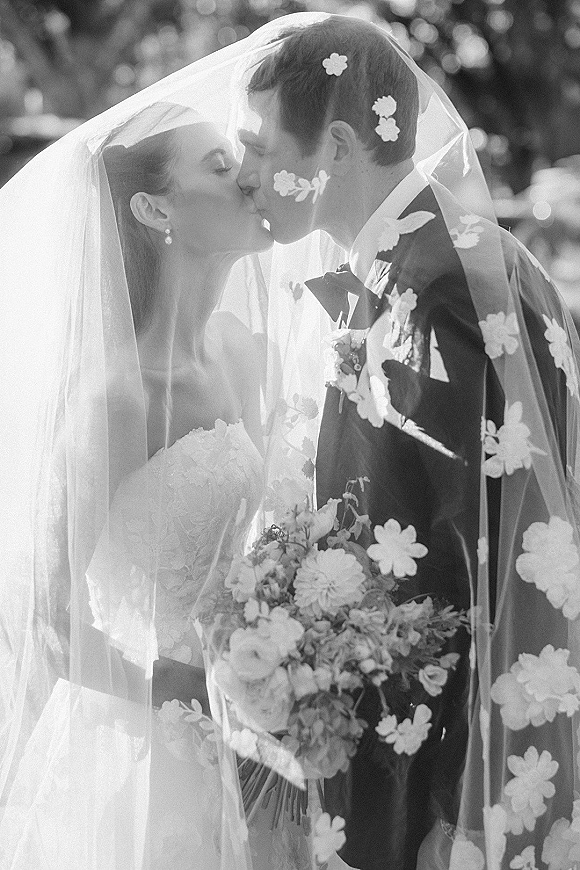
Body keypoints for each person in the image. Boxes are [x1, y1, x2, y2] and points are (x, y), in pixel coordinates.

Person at [236, 14, 580, 870]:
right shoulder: (403, 272)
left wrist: (467, 815)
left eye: (258, 145)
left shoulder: (443, 291)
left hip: (458, 794)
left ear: (340, 144)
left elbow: (519, 558)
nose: (246, 173)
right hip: (403, 771)